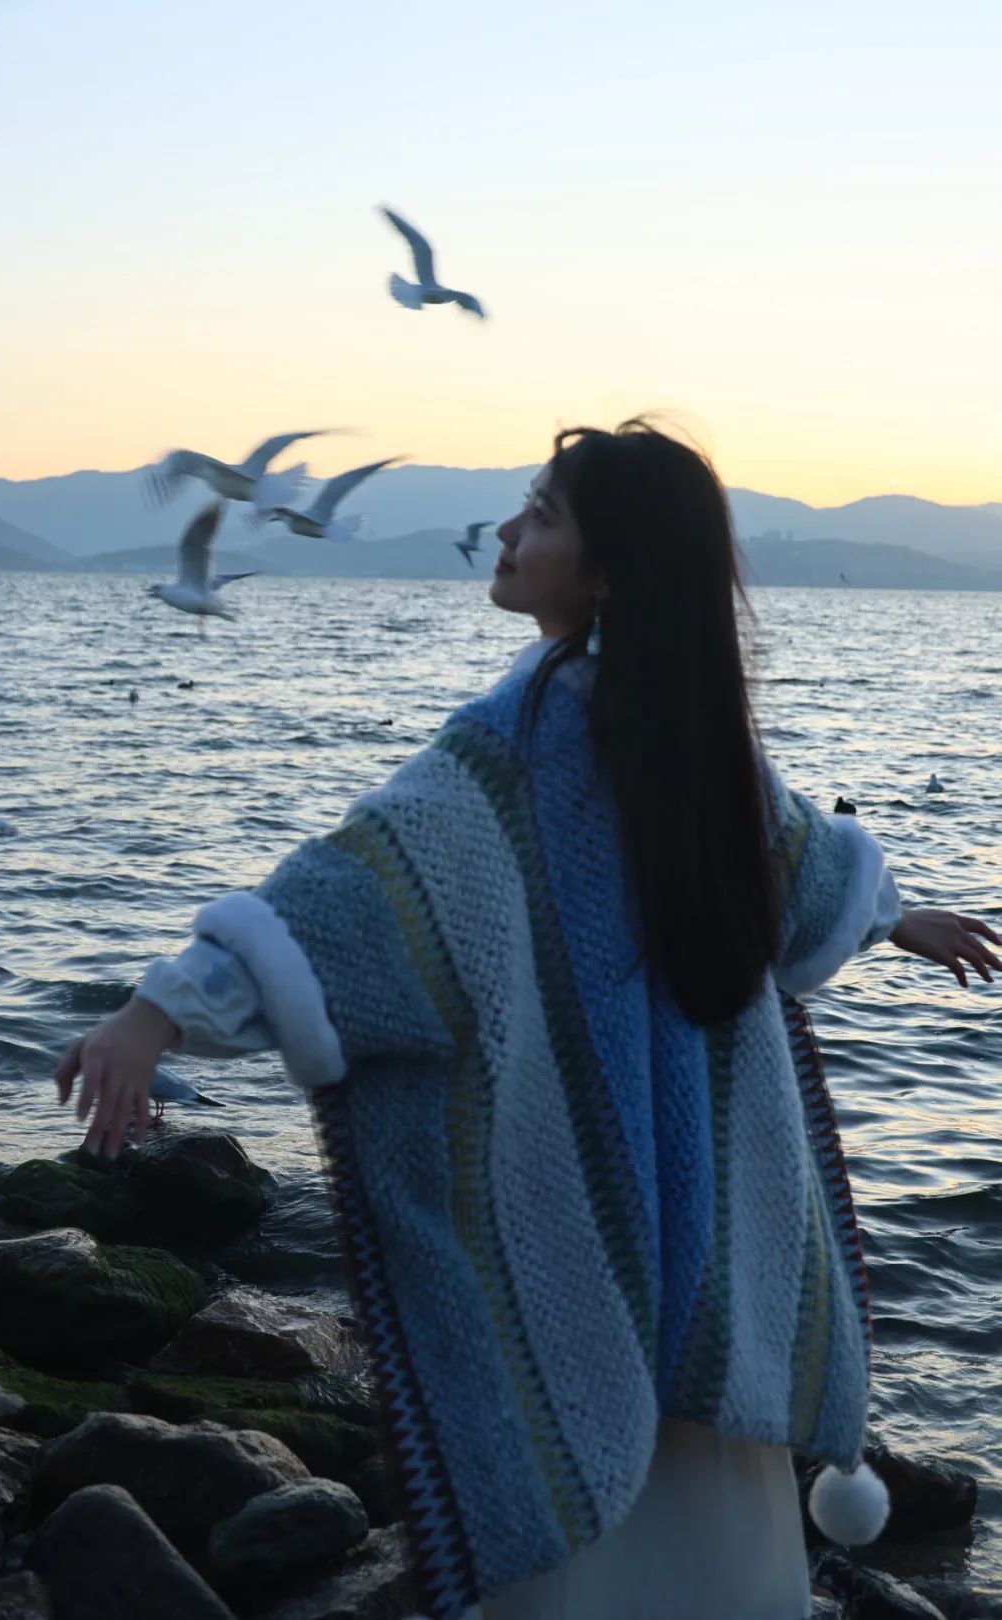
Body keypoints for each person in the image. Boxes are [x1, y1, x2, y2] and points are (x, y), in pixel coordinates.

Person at [57, 419, 1000, 1620]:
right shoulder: (696, 735)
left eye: (542, 513)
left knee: (586, 1537)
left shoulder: (509, 756)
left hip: (565, 1222)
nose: (505, 533)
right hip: (721, 1235)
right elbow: (806, 870)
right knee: (723, 1557)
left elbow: (348, 904)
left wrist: (158, 1012)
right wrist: (895, 915)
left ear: (609, 569)